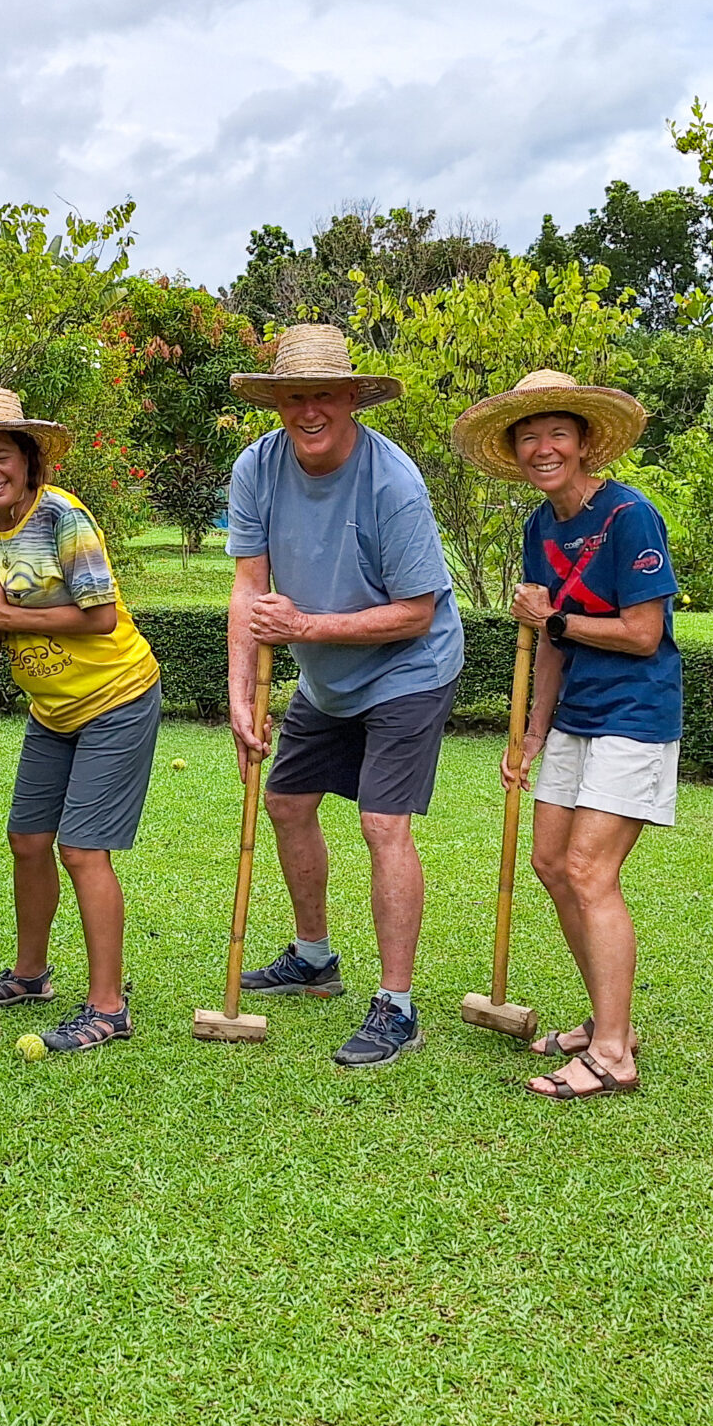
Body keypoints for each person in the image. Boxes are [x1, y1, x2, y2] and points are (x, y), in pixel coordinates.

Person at [224, 323, 466, 1066]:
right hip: (328, 672)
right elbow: (248, 588)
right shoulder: (256, 468)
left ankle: (397, 1007)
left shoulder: (393, 484)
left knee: (381, 823)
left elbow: (416, 611)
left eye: (323, 394)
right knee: (287, 802)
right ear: (277, 403)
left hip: (409, 667)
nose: (308, 411)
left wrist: (306, 625)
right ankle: (314, 958)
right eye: (293, 397)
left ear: (352, 397)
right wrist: (240, 693)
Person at [0, 385, 164, 1054]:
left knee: (82, 848)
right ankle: (30, 975)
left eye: (2, 456)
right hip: (52, 711)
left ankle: (109, 1007)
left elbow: (101, 615)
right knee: (27, 839)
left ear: (28, 460)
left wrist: (11, 617)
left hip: (117, 695)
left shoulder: (62, 519)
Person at [452, 371, 676, 1101]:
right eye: (528, 436)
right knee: (552, 864)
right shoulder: (540, 527)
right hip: (576, 714)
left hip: (635, 717)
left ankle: (613, 1053)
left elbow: (643, 635)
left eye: (555, 434)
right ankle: (610, 1022)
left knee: (590, 871)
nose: (542, 448)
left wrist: (551, 620)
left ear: (583, 444)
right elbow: (546, 642)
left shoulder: (631, 515)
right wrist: (531, 731)